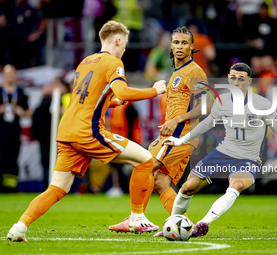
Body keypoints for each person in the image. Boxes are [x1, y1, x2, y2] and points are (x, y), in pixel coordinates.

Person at [7, 20, 166, 242]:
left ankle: (19, 227)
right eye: (125, 43)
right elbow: (123, 90)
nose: (125, 48)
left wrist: (112, 102)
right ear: (118, 40)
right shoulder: (114, 62)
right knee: (146, 160)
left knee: (57, 188)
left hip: (67, 130)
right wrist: (154, 90)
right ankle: (137, 218)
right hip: (88, 131)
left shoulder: (85, 62)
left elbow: (84, 99)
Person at [162, 63, 277, 237]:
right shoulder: (222, 102)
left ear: (249, 81)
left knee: (236, 185)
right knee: (187, 188)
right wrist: (180, 140)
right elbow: (207, 124)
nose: (236, 82)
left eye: (241, 79)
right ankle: (172, 225)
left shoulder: (262, 104)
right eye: (233, 78)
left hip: (248, 158)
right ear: (228, 78)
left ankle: (203, 224)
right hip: (223, 153)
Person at [109, 26, 210, 234]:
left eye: (184, 43)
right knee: (160, 182)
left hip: (179, 136)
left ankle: (137, 219)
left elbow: (206, 107)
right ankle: (184, 225)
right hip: (175, 135)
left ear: (192, 47)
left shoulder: (195, 72)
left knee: (144, 165)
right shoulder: (177, 71)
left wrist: (178, 120)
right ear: (171, 46)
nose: (179, 46)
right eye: (176, 42)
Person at [0, 64, 31, 193]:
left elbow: (29, 111)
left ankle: (10, 186)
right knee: (1, 157)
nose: (10, 76)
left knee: (13, 158)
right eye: (8, 74)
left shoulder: (21, 93)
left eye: (12, 74)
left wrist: (21, 111)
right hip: (1, 130)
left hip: (14, 131)